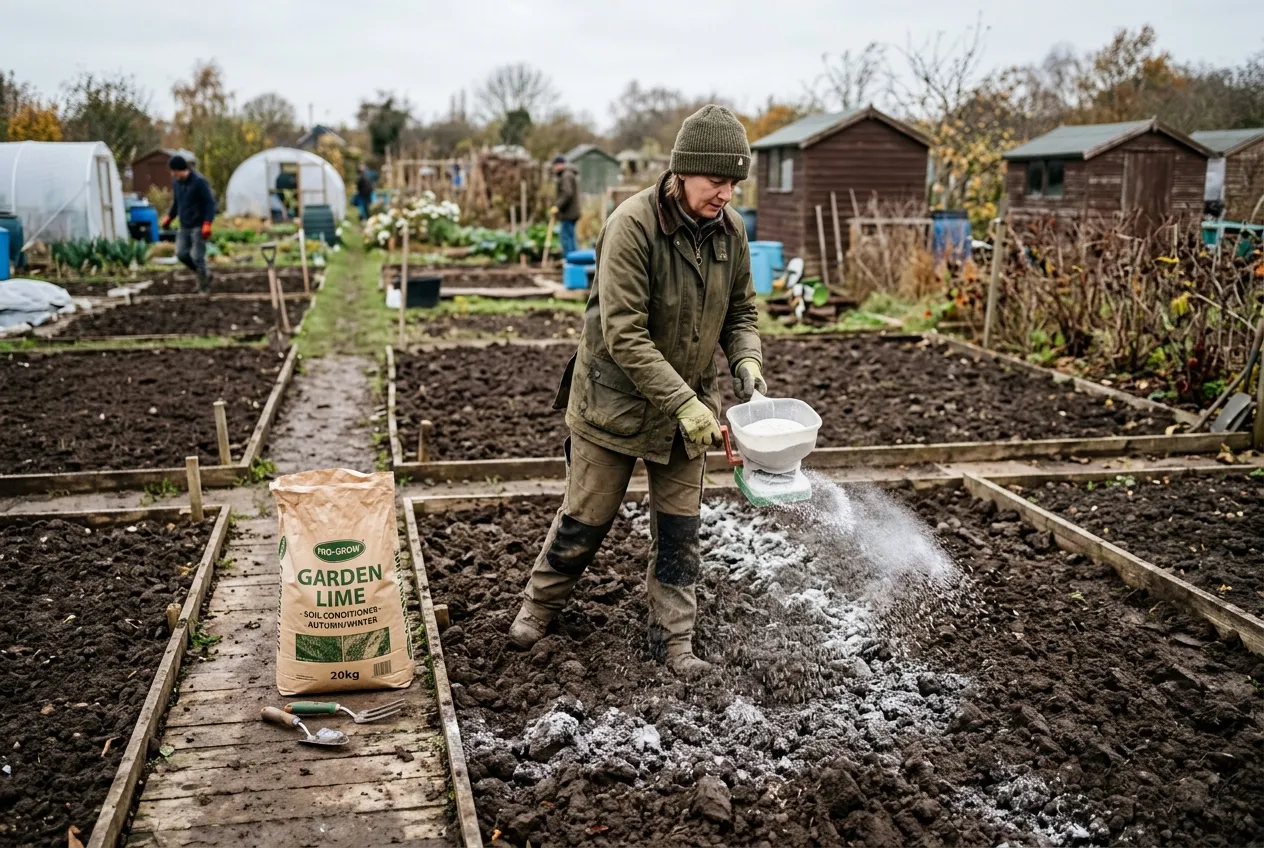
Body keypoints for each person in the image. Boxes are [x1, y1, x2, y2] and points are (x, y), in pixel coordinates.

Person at [509, 105, 767, 677]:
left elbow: (741, 310)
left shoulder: (731, 231)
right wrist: (685, 404)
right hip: (614, 403)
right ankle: (539, 606)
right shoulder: (632, 225)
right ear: (683, 172)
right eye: (716, 181)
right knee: (587, 517)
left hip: (688, 409)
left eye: (734, 183)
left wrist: (745, 359)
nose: (726, 193)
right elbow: (624, 333)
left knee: (680, 529)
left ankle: (675, 641)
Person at [161, 155, 216, 293]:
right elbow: (177, 202)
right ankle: (205, 275)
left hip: (198, 225)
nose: (173, 174)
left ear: (181, 169)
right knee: (181, 254)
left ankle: (203, 289)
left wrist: (207, 223)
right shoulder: (177, 183)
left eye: (174, 171)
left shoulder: (199, 182)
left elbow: (210, 203)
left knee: (198, 257)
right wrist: (170, 217)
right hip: (184, 225)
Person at [550, 155, 580, 257]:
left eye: (554, 166)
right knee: (571, 237)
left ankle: (570, 260)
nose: (554, 168)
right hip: (572, 212)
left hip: (568, 213)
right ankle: (574, 260)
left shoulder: (566, 175)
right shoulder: (569, 174)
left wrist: (557, 206)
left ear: (560, 165)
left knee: (566, 238)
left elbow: (567, 193)